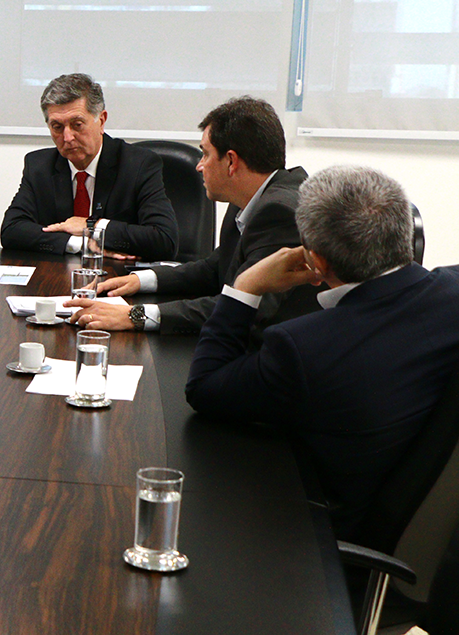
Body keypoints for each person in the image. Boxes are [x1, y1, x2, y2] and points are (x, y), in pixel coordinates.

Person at [184, 166, 459, 539]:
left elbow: (204, 386)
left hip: (330, 544)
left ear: (317, 260)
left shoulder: (303, 348)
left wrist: (246, 285)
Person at [69, 96, 321, 335]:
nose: (199, 165)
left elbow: (246, 307)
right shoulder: (251, 198)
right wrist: (139, 280)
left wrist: (134, 316)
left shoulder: (280, 212)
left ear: (231, 162)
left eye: (206, 153)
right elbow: (215, 269)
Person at [0, 73, 177, 261]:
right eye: (57, 127)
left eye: (77, 125)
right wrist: (83, 243)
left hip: (119, 280)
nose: (67, 137)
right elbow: (11, 230)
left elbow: (164, 240)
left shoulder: (139, 165)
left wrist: (92, 226)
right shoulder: (39, 166)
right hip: (58, 278)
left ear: (101, 121)